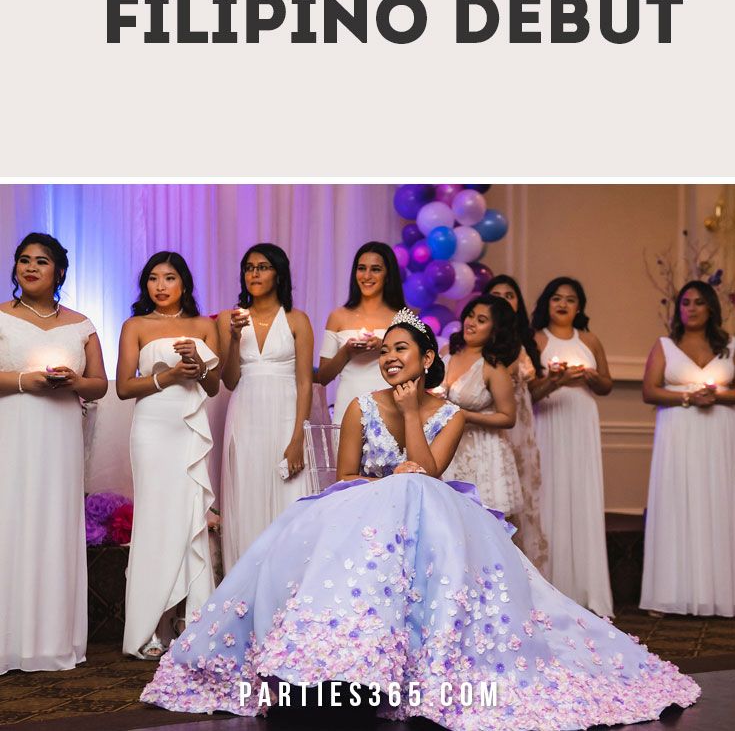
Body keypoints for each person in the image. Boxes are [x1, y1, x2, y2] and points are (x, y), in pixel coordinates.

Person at [141, 311, 699, 729]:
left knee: (414, 484)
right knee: (383, 494)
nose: (389, 358)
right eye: (384, 350)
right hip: (364, 515)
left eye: (400, 349)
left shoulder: (450, 413)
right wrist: (391, 477)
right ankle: (333, 660)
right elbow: (347, 476)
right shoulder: (359, 406)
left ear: (427, 358)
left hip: (427, 514)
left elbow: (429, 473)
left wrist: (411, 413)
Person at [0, 232, 107, 674]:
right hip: (15, 428)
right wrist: (29, 381)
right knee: (12, 521)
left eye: (41, 261)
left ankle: (53, 639)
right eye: (24, 260)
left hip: (61, 432)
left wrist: (72, 382)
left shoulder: (82, 324)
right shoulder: (2, 317)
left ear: (59, 271)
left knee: (54, 523)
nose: (30, 267)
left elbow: (99, 384)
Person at [117, 251, 220, 659]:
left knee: (189, 518)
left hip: (190, 430)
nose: (160, 286)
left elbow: (213, 389)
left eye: (170, 278)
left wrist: (198, 367)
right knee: (156, 521)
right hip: (152, 429)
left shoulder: (204, 326)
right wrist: (170, 375)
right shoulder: (135, 326)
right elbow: (125, 387)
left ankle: (189, 621)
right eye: (153, 278)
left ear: (184, 284)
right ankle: (150, 625)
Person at [640, 280, 735, 615]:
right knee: (675, 503)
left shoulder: (730, 346)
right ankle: (667, 596)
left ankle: (719, 595)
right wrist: (687, 397)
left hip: (719, 433)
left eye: (698, 302)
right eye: (685, 302)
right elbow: (649, 391)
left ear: (711, 308)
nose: (691, 308)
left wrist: (718, 396)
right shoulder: (665, 345)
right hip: (677, 431)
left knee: (718, 504)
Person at [217, 244, 313, 571]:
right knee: (246, 496)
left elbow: (304, 383)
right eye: (248, 267)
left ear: (278, 273)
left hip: (286, 413)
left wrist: (298, 438)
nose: (254, 274)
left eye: (262, 267)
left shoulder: (298, 320)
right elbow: (228, 380)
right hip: (245, 412)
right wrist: (232, 338)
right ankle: (244, 588)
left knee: (290, 497)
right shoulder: (230, 319)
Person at [530, 276, 613, 617]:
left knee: (582, 494)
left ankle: (588, 590)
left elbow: (606, 384)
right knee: (550, 495)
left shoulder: (589, 340)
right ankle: (550, 587)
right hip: (549, 419)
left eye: (570, 300)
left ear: (580, 307)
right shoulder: (536, 339)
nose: (563, 305)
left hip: (581, 421)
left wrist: (593, 378)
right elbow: (529, 393)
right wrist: (554, 381)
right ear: (547, 303)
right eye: (556, 299)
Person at [437, 294, 523, 518]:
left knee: (480, 524)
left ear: (495, 330)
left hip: (481, 453)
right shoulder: (447, 352)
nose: (471, 322)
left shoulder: (494, 367)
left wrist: (465, 415)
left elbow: (508, 417)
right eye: (471, 315)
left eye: (481, 320)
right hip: (444, 445)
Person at [485, 275, 549, 574]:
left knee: (523, 496)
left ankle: (528, 573)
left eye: (509, 295)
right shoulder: (476, 344)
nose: (502, 300)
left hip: (520, 426)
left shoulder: (523, 343)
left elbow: (531, 388)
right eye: (495, 294)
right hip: (488, 429)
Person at [317, 241, 405, 424]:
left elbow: (416, 370)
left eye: (375, 269)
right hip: (348, 403)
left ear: (388, 274)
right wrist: (347, 351)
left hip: (390, 406)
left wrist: (384, 347)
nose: (366, 276)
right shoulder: (337, 316)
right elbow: (323, 377)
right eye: (361, 268)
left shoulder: (402, 317)